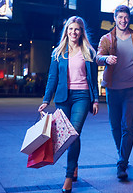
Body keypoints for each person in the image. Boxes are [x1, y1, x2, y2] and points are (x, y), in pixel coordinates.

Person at [38, 16, 99, 193]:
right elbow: (52, 78)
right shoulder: (58, 52)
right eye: (70, 29)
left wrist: (95, 99)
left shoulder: (88, 51)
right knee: (68, 136)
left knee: (74, 134)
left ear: (81, 32)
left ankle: (68, 176)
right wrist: (45, 100)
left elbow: (93, 79)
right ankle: (75, 165)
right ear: (66, 31)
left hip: (82, 97)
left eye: (77, 29)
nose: (73, 32)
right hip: (63, 98)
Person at [96, 5, 133, 180]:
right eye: (120, 17)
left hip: (132, 89)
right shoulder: (107, 38)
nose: (123, 20)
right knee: (115, 126)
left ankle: (122, 163)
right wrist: (106, 59)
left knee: (128, 127)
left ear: (129, 18)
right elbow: (97, 57)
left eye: (126, 17)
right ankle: (122, 154)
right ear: (115, 18)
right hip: (112, 89)